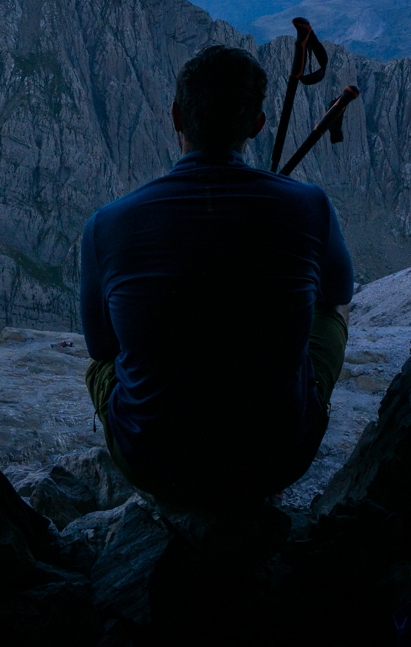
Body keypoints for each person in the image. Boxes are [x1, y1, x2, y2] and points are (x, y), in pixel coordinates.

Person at [80, 44, 353, 503]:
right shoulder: (310, 206)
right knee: (333, 308)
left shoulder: (106, 225)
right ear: (258, 125)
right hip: (277, 458)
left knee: (103, 364)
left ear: (175, 117)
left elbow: (101, 347)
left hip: (153, 462)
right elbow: (338, 294)